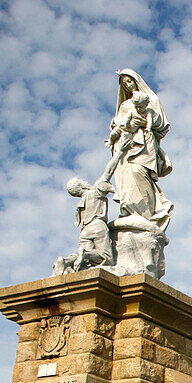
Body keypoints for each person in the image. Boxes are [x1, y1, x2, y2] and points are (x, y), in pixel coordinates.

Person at [52, 135, 133, 275]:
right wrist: (119, 151)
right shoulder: (95, 191)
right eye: (82, 181)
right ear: (81, 186)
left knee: (85, 261)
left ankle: (65, 261)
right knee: (106, 259)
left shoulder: (80, 204)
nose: (85, 181)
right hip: (97, 226)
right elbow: (108, 171)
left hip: (84, 231)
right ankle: (86, 254)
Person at [107, 69, 173, 229]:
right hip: (125, 145)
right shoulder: (124, 104)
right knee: (125, 176)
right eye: (124, 84)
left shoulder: (151, 99)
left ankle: (148, 214)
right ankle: (128, 210)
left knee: (139, 172)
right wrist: (121, 126)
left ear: (136, 80)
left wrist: (143, 120)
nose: (128, 86)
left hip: (144, 142)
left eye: (129, 81)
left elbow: (162, 125)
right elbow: (117, 123)